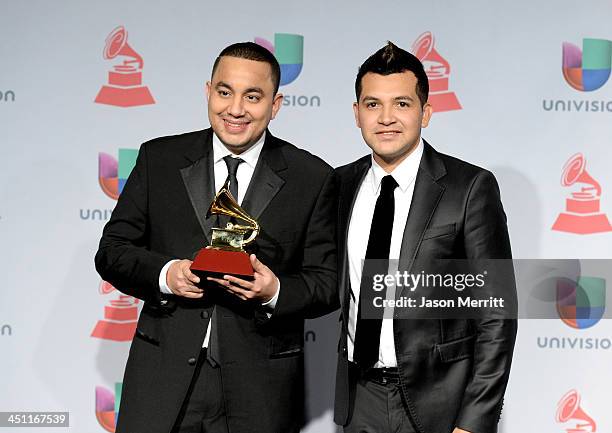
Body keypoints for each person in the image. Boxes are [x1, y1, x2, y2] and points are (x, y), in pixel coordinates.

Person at [95, 42, 338, 433]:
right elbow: (112, 253)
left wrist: (274, 290)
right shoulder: (159, 159)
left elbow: (327, 283)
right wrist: (167, 274)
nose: (236, 109)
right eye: (225, 92)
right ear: (208, 91)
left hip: (262, 389)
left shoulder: (313, 177)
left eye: (253, 96)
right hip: (162, 380)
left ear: (275, 105)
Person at [334, 42, 517, 433]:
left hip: (441, 405)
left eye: (401, 103)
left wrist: (474, 421)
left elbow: (497, 313)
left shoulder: (469, 188)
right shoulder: (339, 185)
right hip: (359, 398)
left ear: (425, 112)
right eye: (372, 104)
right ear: (356, 114)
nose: (386, 118)